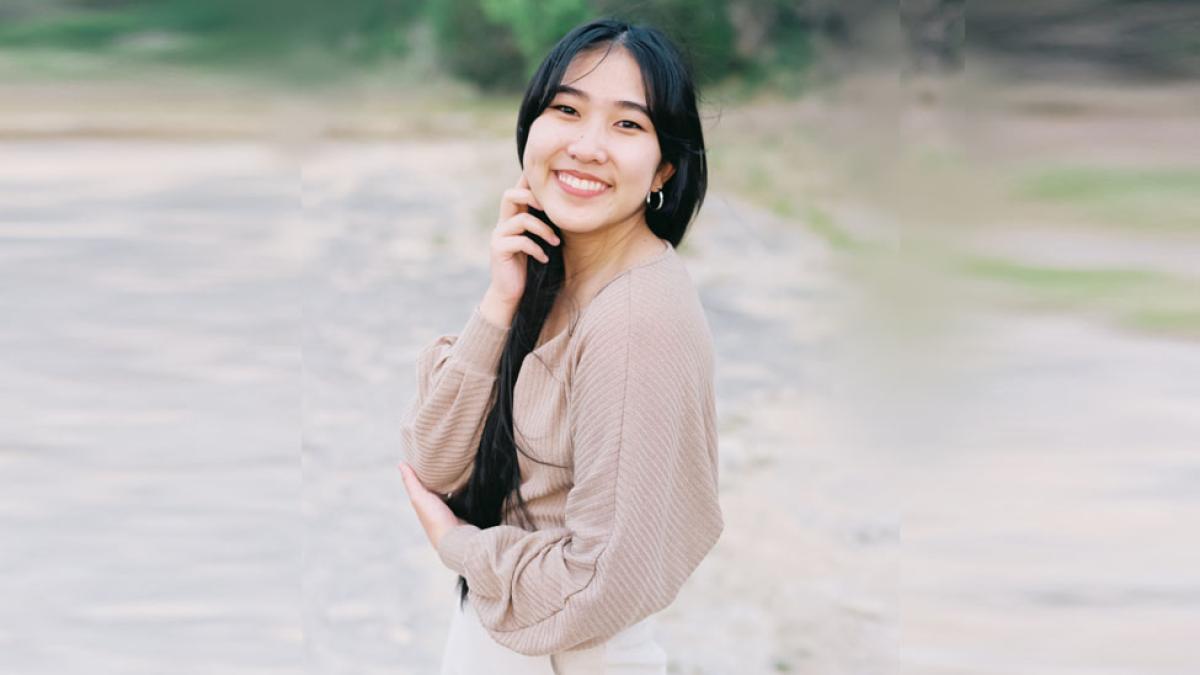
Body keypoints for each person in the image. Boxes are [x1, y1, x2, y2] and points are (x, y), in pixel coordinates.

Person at [398, 17, 723, 674]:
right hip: (510, 630)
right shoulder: (552, 273)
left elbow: (607, 575)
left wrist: (461, 548)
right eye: (567, 109)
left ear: (663, 166)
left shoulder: (636, 317)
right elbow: (435, 463)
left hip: (570, 652)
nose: (586, 145)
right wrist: (499, 303)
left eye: (627, 124)